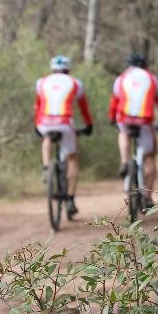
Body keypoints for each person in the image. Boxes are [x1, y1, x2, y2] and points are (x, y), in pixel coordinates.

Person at [108, 53, 158, 209]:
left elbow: (114, 102)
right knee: (150, 157)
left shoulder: (121, 78)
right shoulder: (152, 79)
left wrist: (112, 118)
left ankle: (124, 161)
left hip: (124, 118)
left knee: (123, 132)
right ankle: (147, 197)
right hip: (145, 121)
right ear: (145, 65)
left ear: (129, 65)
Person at [35, 55, 93, 217]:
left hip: (44, 121)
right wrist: (89, 125)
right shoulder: (75, 82)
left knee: (46, 137)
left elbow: (38, 106)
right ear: (68, 69)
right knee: (72, 158)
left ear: (52, 68)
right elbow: (83, 107)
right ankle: (71, 199)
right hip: (65, 122)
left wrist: (36, 125)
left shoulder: (41, 82)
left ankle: (47, 167)